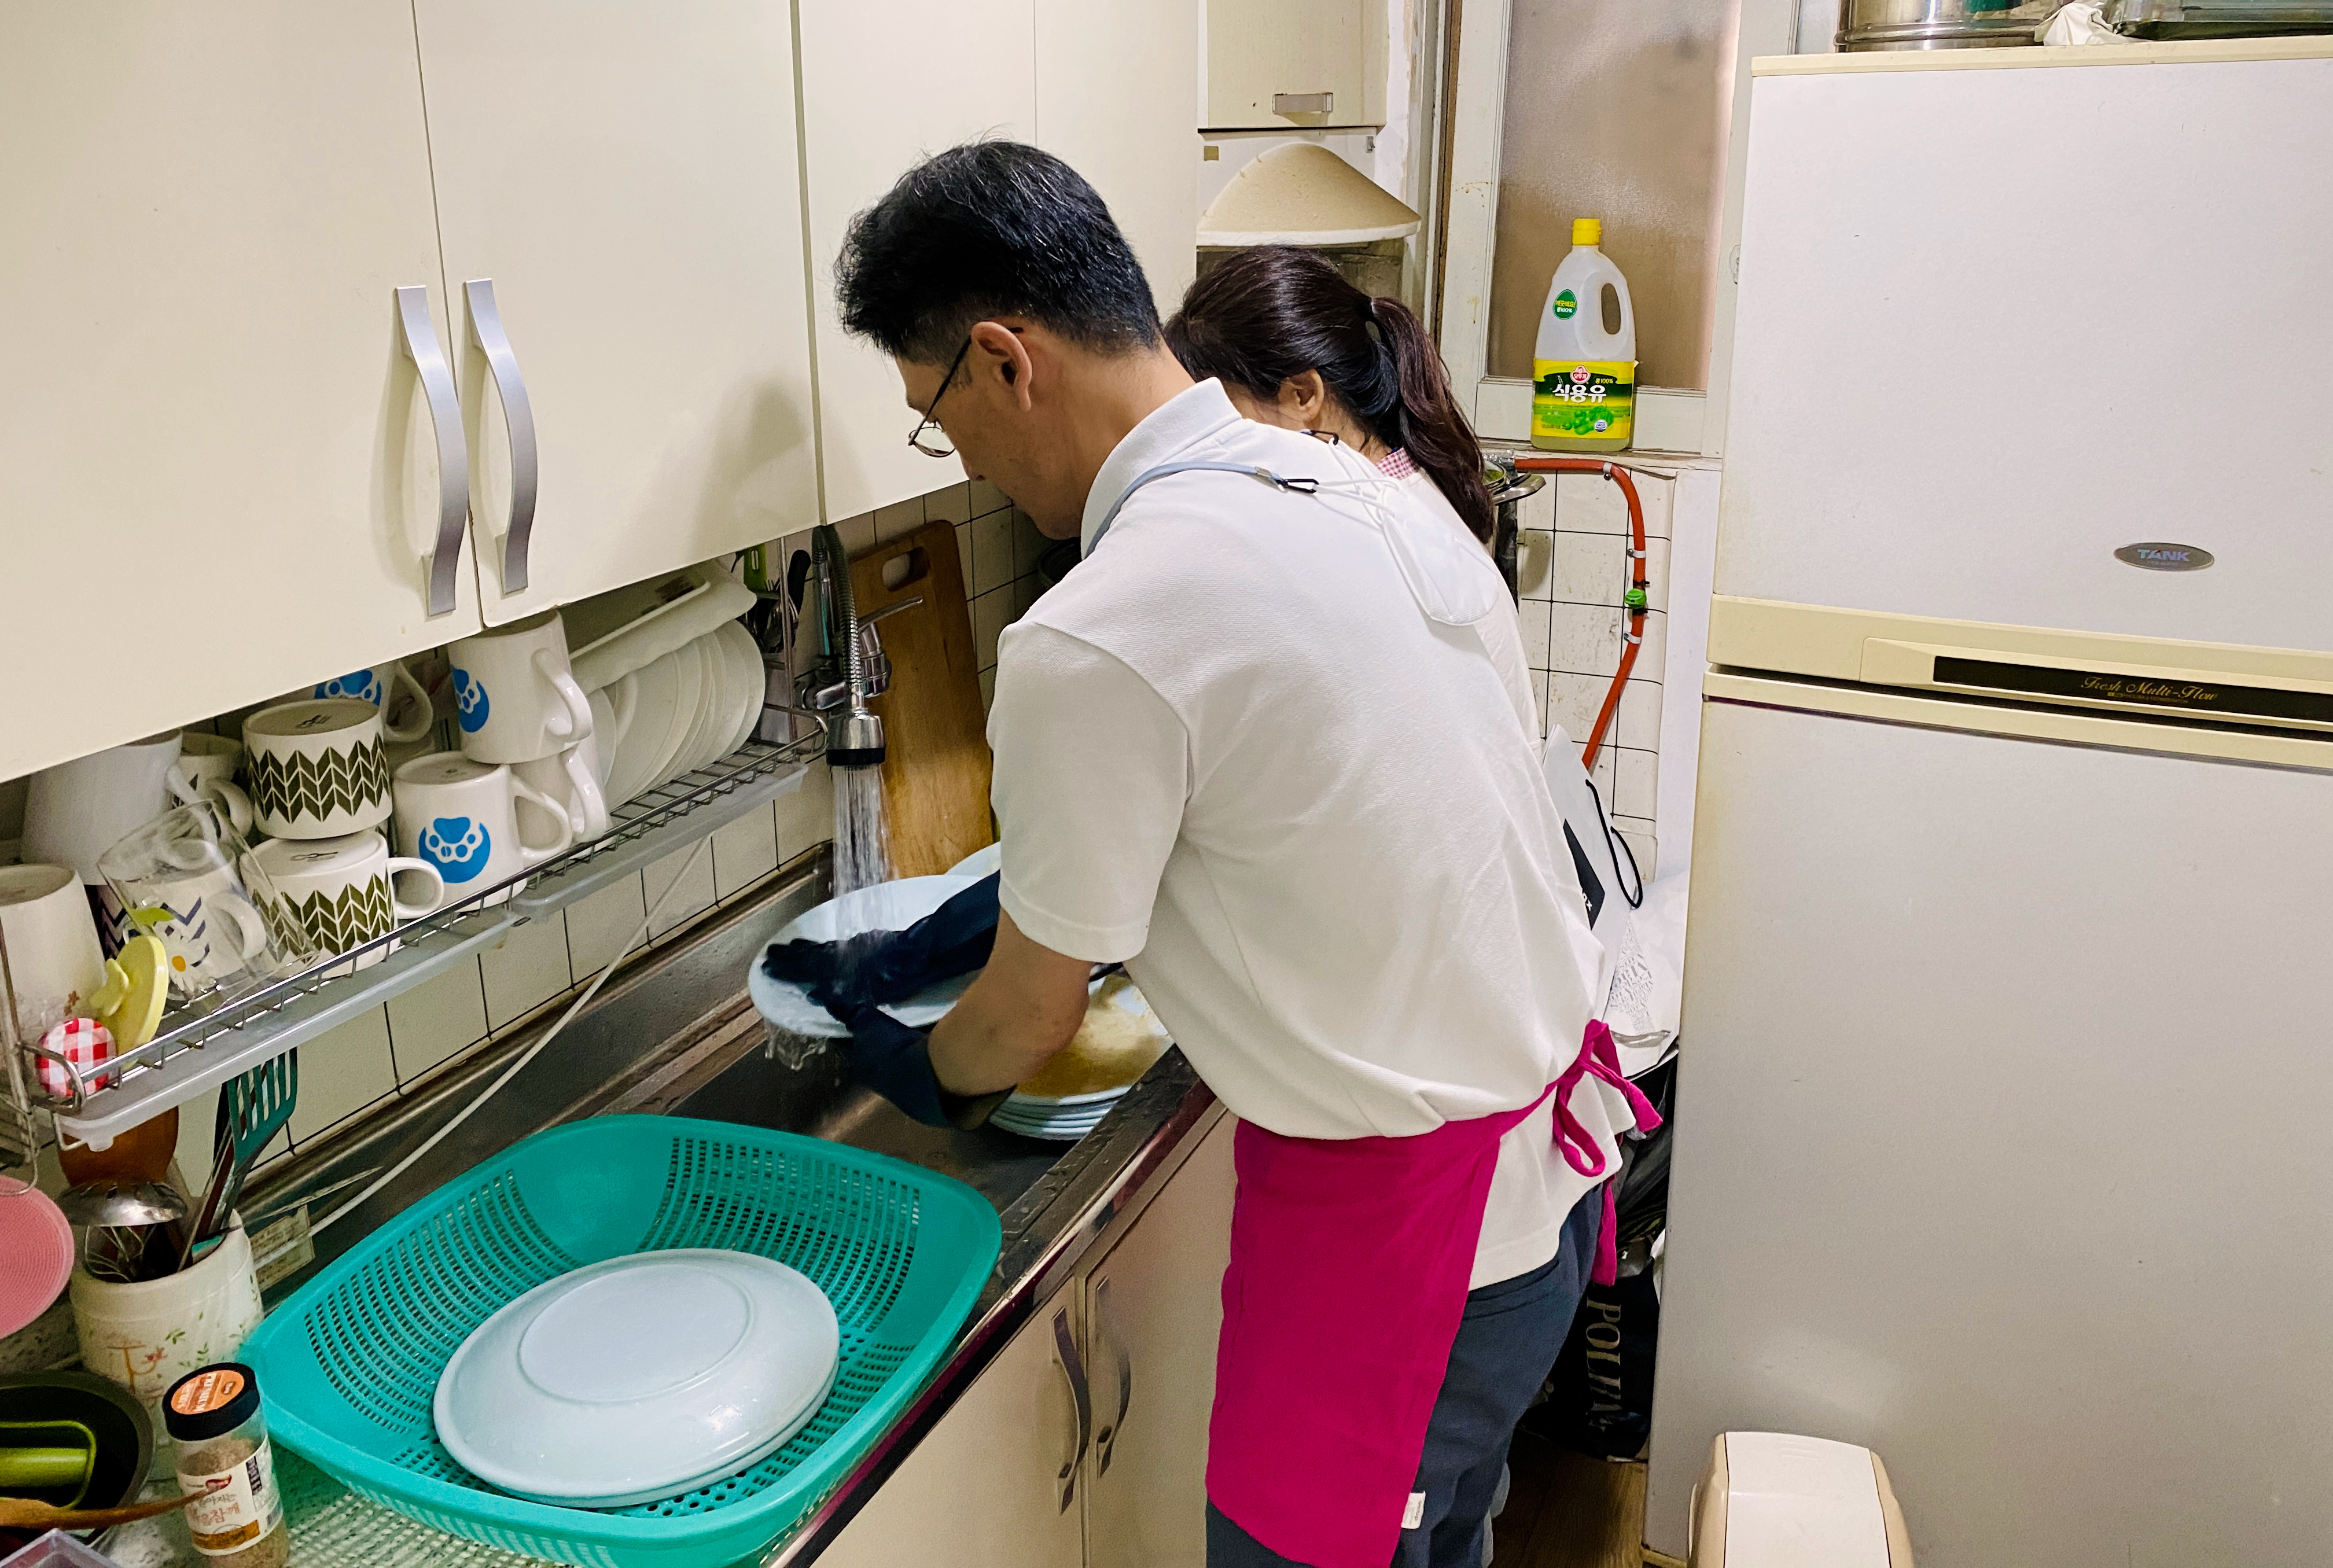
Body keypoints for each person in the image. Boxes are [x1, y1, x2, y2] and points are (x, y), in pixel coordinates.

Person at [823, 141, 1653, 1568]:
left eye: (935, 417)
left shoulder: (1098, 632)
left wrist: (904, 1070)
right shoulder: (1376, 492)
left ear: (1005, 360)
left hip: (1405, 1265)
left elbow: (1027, 1018)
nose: (958, 460)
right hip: (1547, 1202)